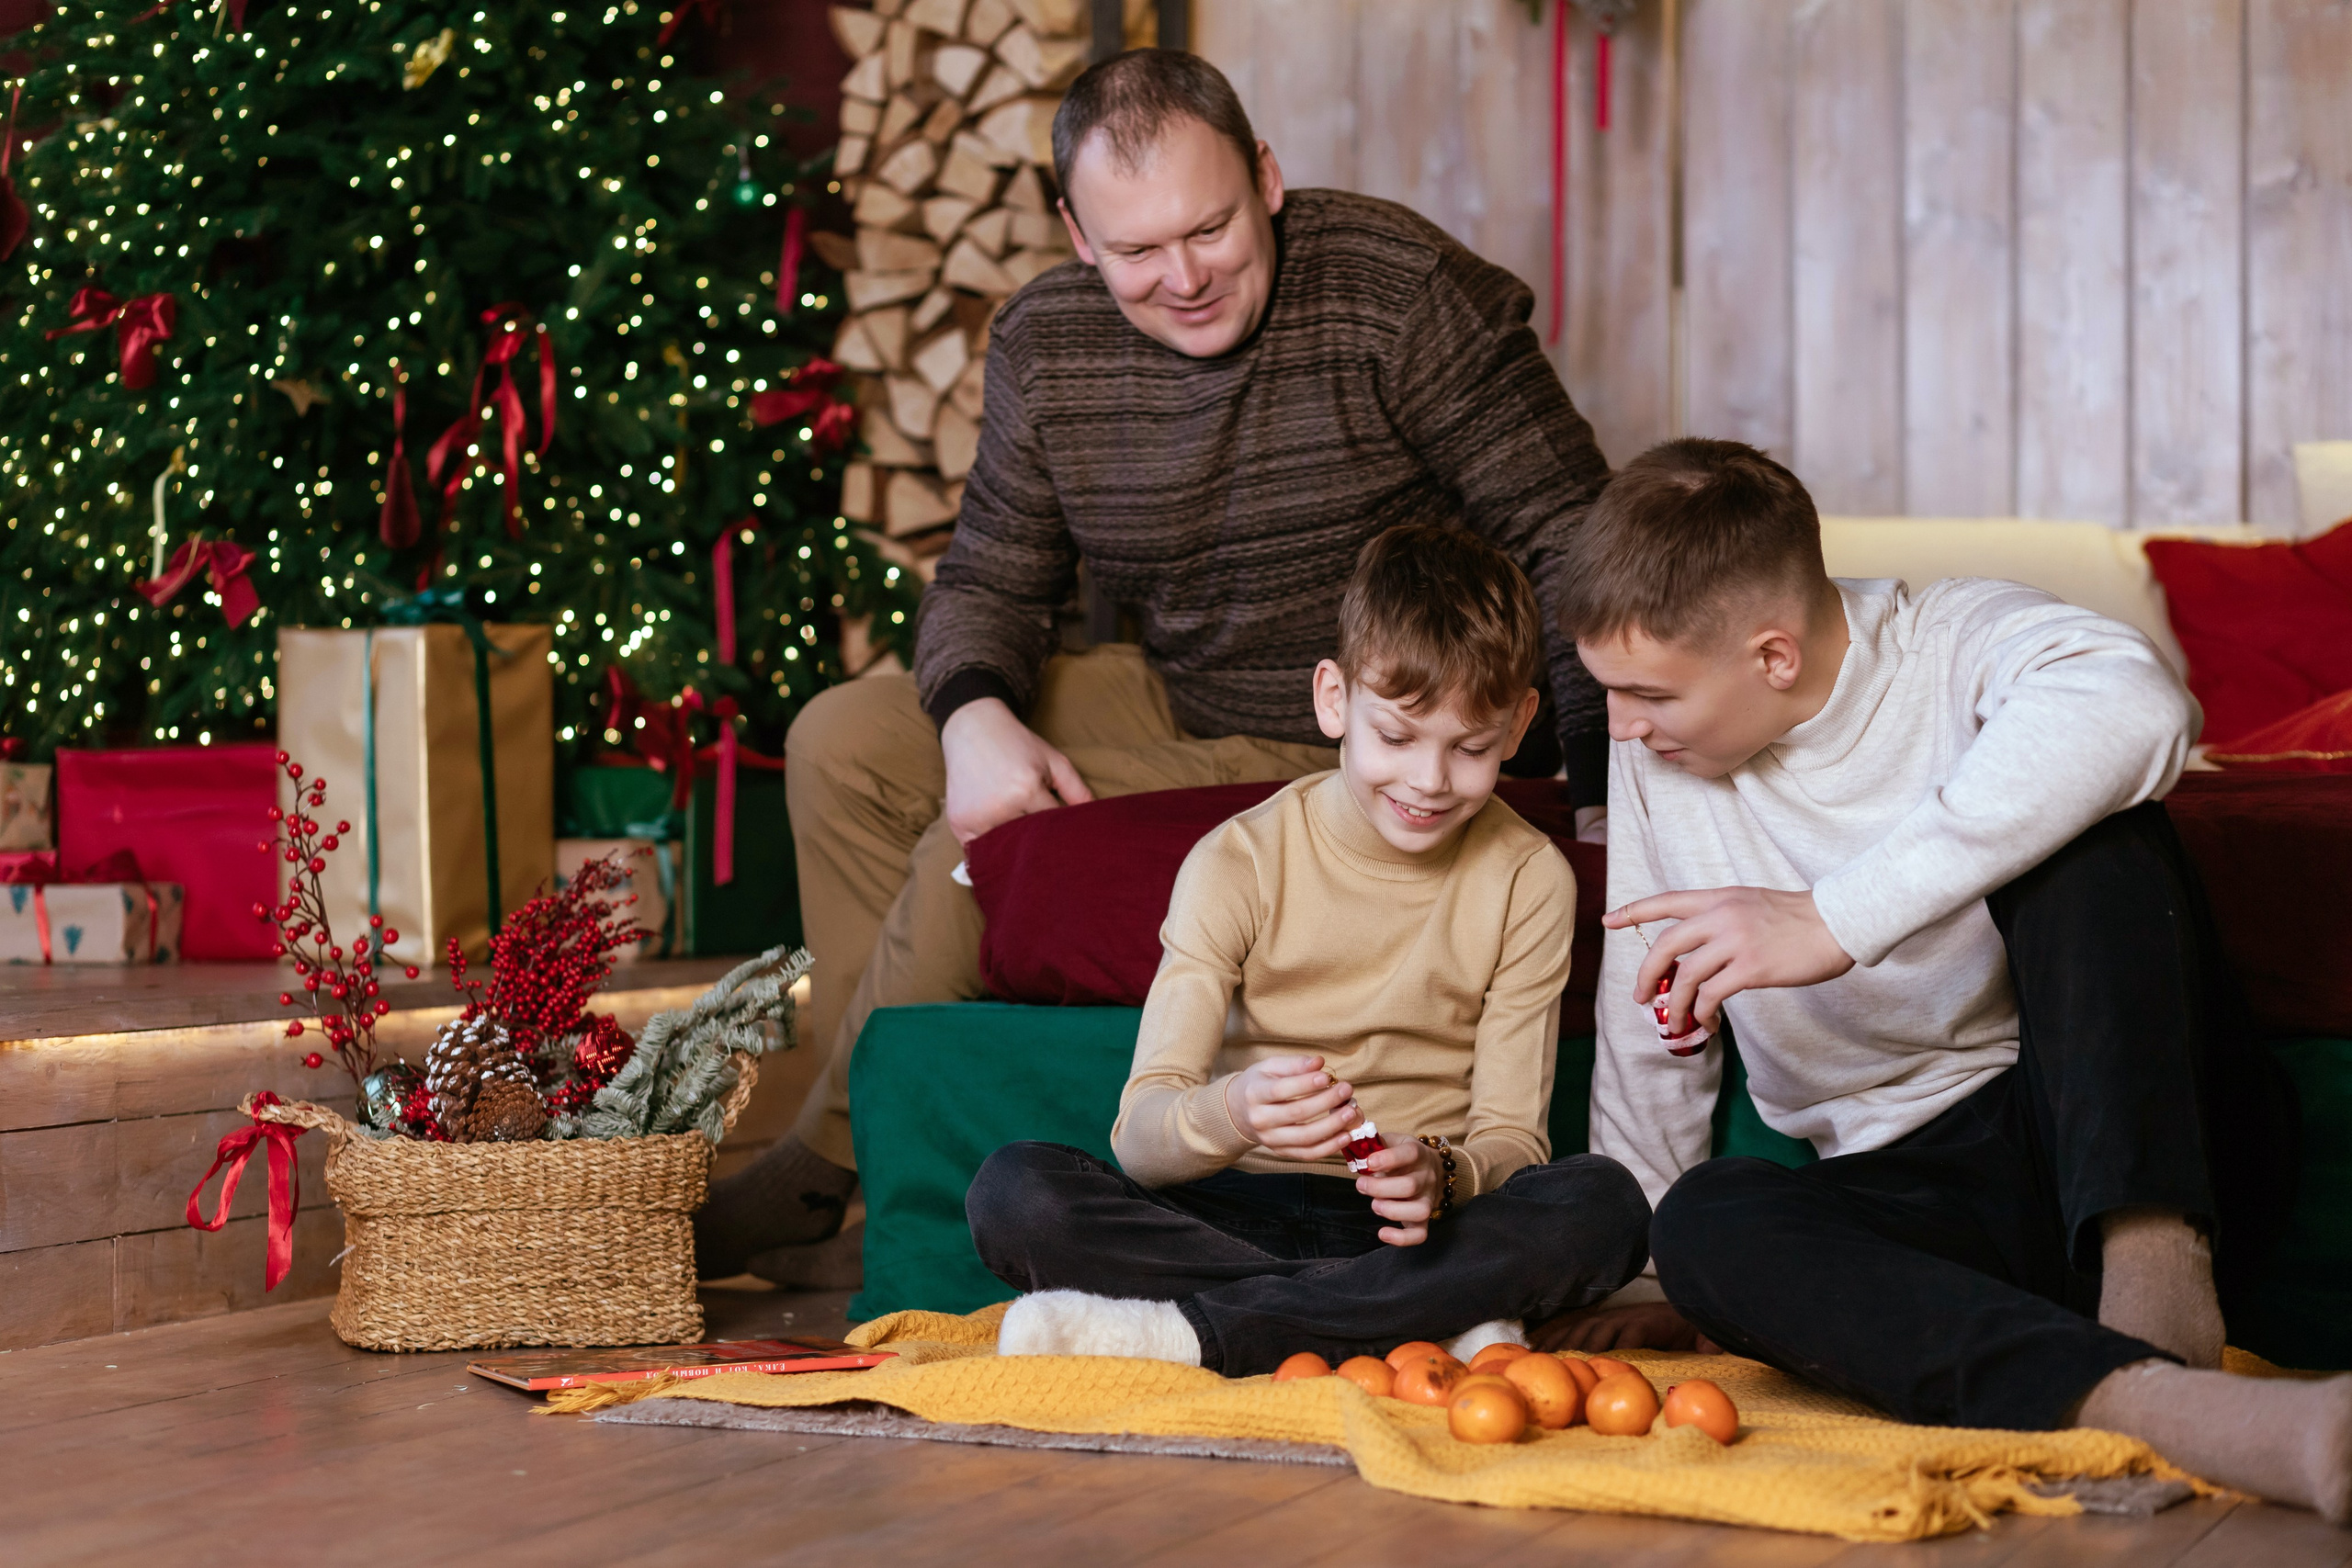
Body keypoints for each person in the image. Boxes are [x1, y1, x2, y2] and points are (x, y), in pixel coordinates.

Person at [696, 48, 1615, 1279]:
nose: (1183, 277)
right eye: (1138, 250)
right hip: (1178, 681)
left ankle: (820, 1170)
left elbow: (1575, 540)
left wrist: (1610, 791)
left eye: (1213, 228)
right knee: (841, 743)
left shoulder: (1398, 293)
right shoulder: (1047, 342)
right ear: (1078, 234)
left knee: (972, 848)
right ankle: (886, 1141)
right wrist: (973, 712)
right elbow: (989, 576)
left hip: (1354, 722)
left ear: (1268, 179)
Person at [1555, 438, 2346, 1520]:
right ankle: (2164, 1408)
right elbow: (1649, 1010)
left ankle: (2155, 1286)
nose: (1622, 728)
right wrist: (1645, 1255)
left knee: (2096, 830)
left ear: (1773, 655)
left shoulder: (1955, 636)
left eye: (1647, 694)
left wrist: (1835, 919)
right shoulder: (1656, 763)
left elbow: (2141, 711)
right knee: (1702, 1224)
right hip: (1932, 1197)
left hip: (2134, 1143)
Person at [961, 526, 1648, 1371]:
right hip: (1230, 1207)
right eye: (1396, 737)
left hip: (1408, 1226)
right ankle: (1407, 1317)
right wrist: (1234, 1111)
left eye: (1470, 748)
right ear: (1334, 699)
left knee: (1604, 1203)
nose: (1430, 780)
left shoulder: (1529, 878)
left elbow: (1512, 1140)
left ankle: (1194, 1330)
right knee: (1017, 1192)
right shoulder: (1238, 859)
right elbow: (1138, 1137)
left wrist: (1442, 1172)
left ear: (1518, 726)